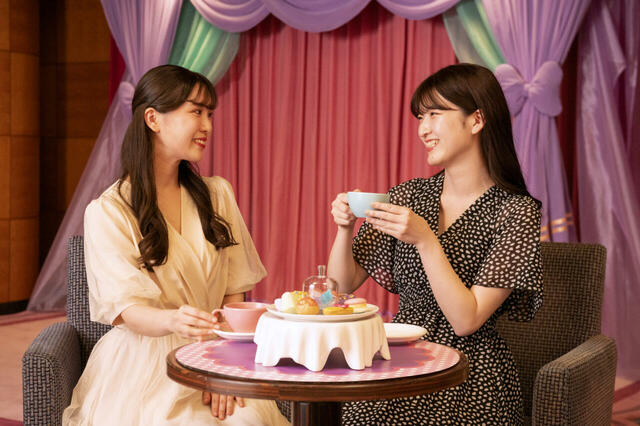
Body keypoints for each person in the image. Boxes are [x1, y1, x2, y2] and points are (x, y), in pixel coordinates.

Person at [63, 65, 289, 425]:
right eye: (196, 112)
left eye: (210, 114)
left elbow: (234, 293)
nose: (207, 126)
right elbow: (125, 309)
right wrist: (173, 320)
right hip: (147, 367)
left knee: (247, 421)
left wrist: (223, 364)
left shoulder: (217, 194)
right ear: (153, 119)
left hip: (215, 351)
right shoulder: (109, 211)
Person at [328, 63, 543, 425]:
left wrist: (426, 240)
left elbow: (466, 320)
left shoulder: (516, 212)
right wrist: (344, 228)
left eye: (434, 114)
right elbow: (339, 288)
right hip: (397, 355)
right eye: (420, 117)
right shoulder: (409, 195)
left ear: (476, 120)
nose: (423, 129)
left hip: (469, 373)